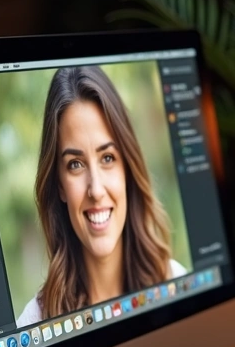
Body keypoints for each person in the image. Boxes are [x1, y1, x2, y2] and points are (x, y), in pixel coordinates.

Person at [17, 66, 185, 326]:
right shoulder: (34, 325)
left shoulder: (176, 284)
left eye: (107, 158)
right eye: (75, 164)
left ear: (128, 169)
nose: (95, 190)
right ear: (59, 185)